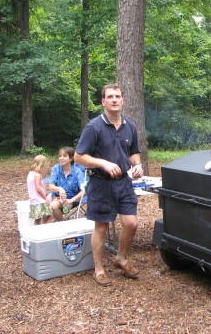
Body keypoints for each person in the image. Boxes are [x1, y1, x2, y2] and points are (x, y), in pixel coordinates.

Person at [75, 83, 143, 287]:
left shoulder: (129, 125)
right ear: (103, 101)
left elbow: (134, 152)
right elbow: (79, 157)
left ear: (122, 100)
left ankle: (120, 258)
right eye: (110, 96)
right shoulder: (94, 127)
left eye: (118, 96)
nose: (114, 99)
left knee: (131, 223)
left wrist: (137, 165)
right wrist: (103, 163)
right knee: (102, 227)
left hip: (124, 183)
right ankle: (99, 269)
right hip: (101, 184)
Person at [48, 146, 86, 221]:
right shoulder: (56, 168)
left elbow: (84, 190)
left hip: (70, 199)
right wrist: (60, 189)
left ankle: (61, 224)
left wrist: (72, 199)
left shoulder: (77, 171)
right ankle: (60, 224)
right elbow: (51, 186)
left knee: (53, 206)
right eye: (60, 156)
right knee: (43, 204)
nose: (61, 158)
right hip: (56, 197)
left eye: (64, 156)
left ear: (71, 158)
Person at [27, 155, 53, 225]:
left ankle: (36, 233)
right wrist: (45, 197)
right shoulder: (37, 175)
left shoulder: (30, 173)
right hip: (39, 201)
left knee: (38, 220)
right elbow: (38, 188)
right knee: (49, 216)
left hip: (33, 200)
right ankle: (45, 232)